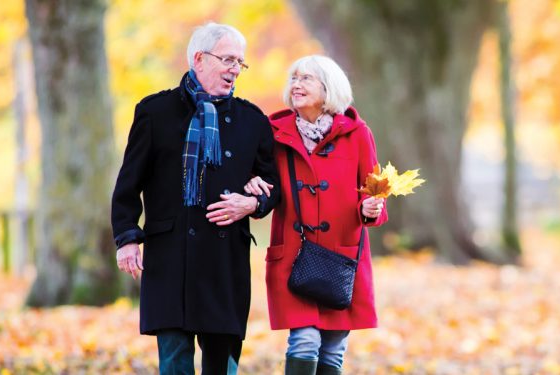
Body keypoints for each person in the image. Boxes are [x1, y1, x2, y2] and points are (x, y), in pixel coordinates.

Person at [111, 23, 280, 374]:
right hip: (170, 256)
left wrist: (252, 203)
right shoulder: (154, 112)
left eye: (240, 63)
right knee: (174, 359)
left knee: (222, 363)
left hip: (224, 260)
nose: (235, 69)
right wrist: (127, 238)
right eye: (228, 59)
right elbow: (129, 183)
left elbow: (272, 184)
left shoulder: (253, 121)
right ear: (199, 59)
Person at [244, 55, 388, 375]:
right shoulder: (274, 132)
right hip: (294, 256)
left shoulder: (358, 133)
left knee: (333, 348)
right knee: (305, 340)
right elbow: (258, 176)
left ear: (329, 87)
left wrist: (369, 208)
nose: (296, 84)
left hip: (342, 257)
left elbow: (374, 192)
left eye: (306, 78)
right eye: (293, 78)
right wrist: (252, 183)